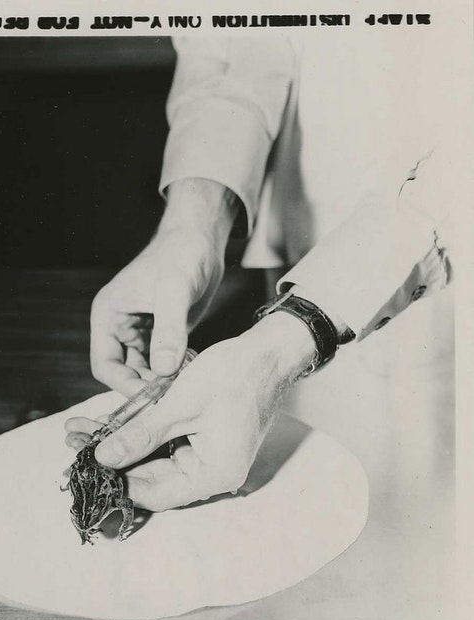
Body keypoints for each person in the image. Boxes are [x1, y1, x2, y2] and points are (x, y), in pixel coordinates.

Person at [65, 33, 466, 512]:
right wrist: (195, 218)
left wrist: (286, 344)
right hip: (288, 287)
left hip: (440, 300)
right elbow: (237, 36)